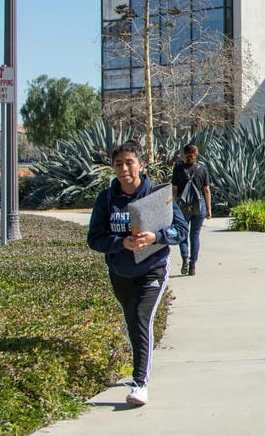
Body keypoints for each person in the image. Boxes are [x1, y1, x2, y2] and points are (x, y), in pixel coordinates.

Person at [87, 140, 187, 408]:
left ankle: (140, 383)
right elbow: (94, 239)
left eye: (129, 162)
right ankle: (140, 366)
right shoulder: (106, 199)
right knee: (132, 322)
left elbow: (181, 230)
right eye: (118, 164)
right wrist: (121, 243)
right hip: (120, 271)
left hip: (152, 269)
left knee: (142, 318)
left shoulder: (158, 195)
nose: (124, 168)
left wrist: (156, 236)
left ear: (141, 166)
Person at [171, 143, 213, 276]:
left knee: (182, 234)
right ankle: (193, 265)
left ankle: (184, 259)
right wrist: (209, 209)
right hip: (198, 206)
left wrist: (172, 206)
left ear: (184, 154)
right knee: (194, 235)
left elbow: (175, 190)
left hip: (182, 207)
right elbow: (206, 190)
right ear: (196, 154)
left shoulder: (178, 169)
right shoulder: (202, 169)